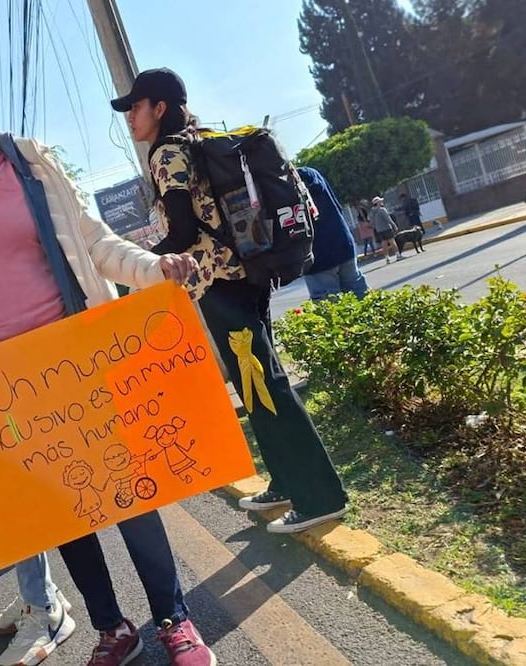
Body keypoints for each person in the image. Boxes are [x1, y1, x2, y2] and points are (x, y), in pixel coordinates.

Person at [0, 57, 212, 666]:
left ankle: (174, 617)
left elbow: (94, 243)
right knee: (62, 512)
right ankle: (110, 627)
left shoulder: (31, 163)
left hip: (77, 361)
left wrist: (154, 269)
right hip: (2, 386)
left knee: (129, 492)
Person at [113, 67, 348, 536]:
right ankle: (285, 481)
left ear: (159, 108)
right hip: (245, 275)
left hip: (219, 282)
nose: (131, 119)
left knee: (266, 384)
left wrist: (136, 265)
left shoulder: (166, 153)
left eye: (136, 108)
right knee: (256, 382)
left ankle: (321, 496)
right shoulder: (200, 138)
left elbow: (181, 231)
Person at [297, 167, 369, 301]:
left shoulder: (279, 186)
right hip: (342, 242)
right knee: (359, 295)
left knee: (330, 307)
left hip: (316, 256)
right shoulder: (311, 173)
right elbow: (338, 207)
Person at [368, 196, 402, 263]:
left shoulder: (371, 212)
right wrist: (394, 225)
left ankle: (387, 258)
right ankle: (398, 255)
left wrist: (376, 227)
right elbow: (388, 218)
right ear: (377, 203)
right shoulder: (382, 209)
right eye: (380, 201)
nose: (382, 202)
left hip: (379, 230)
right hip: (386, 228)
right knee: (392, 241)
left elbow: (371, 222)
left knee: (384, 243)